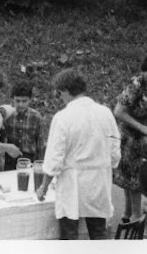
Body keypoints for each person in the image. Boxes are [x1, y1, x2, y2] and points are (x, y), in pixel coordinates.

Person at [35, 68, 121, 241]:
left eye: (60, 93)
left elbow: (54, 159)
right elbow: (114, 152)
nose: (60, 98)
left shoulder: (63, 117)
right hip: (98, 182)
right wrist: (105, 168)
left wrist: (43, 187)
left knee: (70, 235)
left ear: (66, 91)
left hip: (72, 184)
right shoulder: (105, 112)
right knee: (98, 233)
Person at [112, 52, 147, 224]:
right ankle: (137, 217)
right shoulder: (136, 85)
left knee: (134, 177)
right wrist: (141, 127)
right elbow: (118, 112)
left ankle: (128, 212)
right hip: (131, 137)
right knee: (134, 179)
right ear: (145, 68)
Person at [1, 81, 46, 169]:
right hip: (10, 157)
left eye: (24, 101)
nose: (20, 104)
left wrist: (40, 161)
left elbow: (40, 142)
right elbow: (2, 138)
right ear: (12, 99)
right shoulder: (8, 115)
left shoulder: (36, 116)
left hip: (29, 158)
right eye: (17, 101)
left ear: (30, 100)